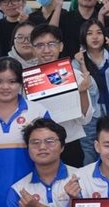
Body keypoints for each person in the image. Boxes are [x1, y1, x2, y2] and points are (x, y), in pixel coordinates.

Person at [29, 25, 94, 167]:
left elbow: (85, 119)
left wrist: (82, 92)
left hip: (69, 143)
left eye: (52, 44)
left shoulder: (75, 75)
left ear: (61, 46)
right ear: (32, 49)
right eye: (40, 45)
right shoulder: (28, 79)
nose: (46, 50)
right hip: (39, 146)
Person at [5, 118, 75, 207]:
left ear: (62, 147)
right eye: (35, 142)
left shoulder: (80, 178)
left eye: (50, 141)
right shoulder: (18, 189)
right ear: (27, 148)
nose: (42, 147)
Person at [80, 18, 109, 164]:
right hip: (90, 112)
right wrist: (82, 65)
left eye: (99, 33)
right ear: (83, 37)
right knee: (89, 148)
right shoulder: (78, 61)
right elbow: (91, 89)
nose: (95, 37)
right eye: (89, 33)